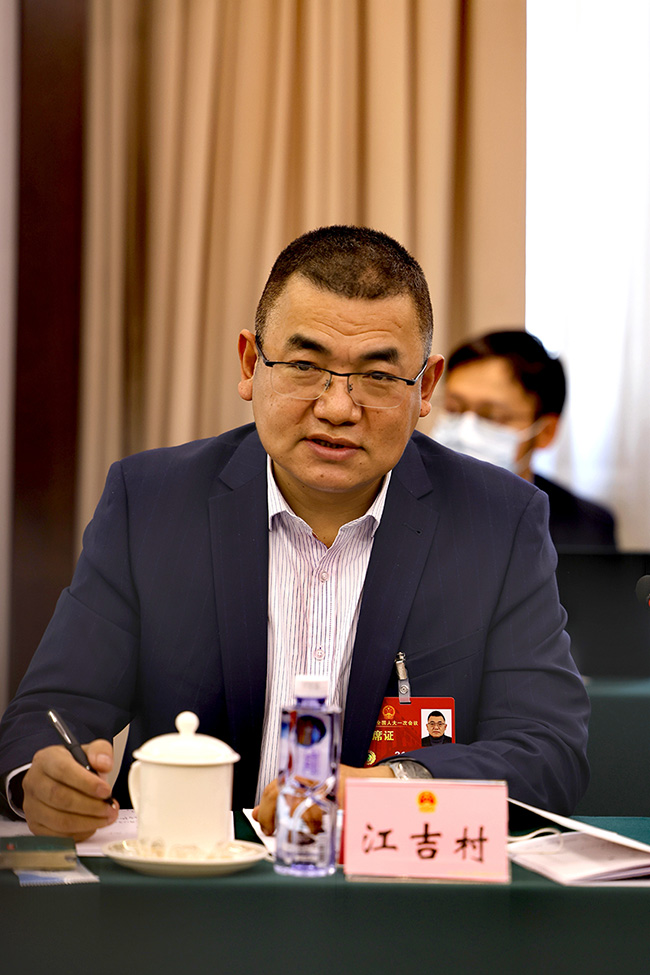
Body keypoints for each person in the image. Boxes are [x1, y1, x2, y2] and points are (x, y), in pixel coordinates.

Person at [0, 227, 589, 841]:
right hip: (192, 880)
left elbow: (548, 751)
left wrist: (386, 788)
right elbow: (50, 711)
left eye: (378, 376)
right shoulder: (152, 502)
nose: (337, 408)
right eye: (305, 367)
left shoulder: (498, 520)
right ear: (250, 364)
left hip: (388, 883)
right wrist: (41, 779)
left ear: (425, 388)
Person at [433, 330, 617, 550]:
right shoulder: (401, 501)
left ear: (545, 432)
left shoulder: (587, 528)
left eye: (492, 416)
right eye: (453, 409)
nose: (465, 431)